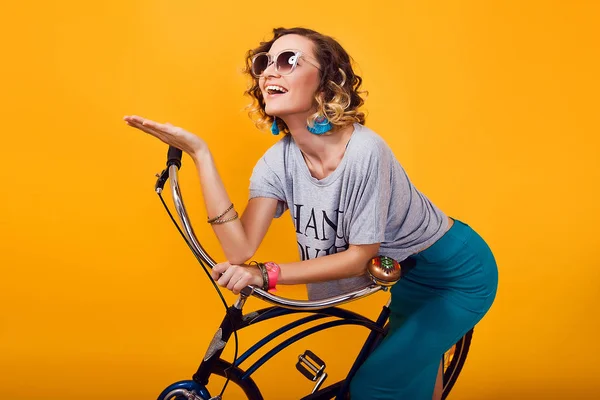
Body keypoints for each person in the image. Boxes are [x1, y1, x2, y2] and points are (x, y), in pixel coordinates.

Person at [124, 27, 498, 400]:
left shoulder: (366, 152)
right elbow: (239, 249)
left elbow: (359, 257)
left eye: (288, 60)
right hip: (403, 275)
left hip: (455, 275)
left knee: (374, 386)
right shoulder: (277, 163)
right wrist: (200, 155)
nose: (270, 71)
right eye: (264, 63)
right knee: (411, 374)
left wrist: (265, 274)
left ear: (326, 85)